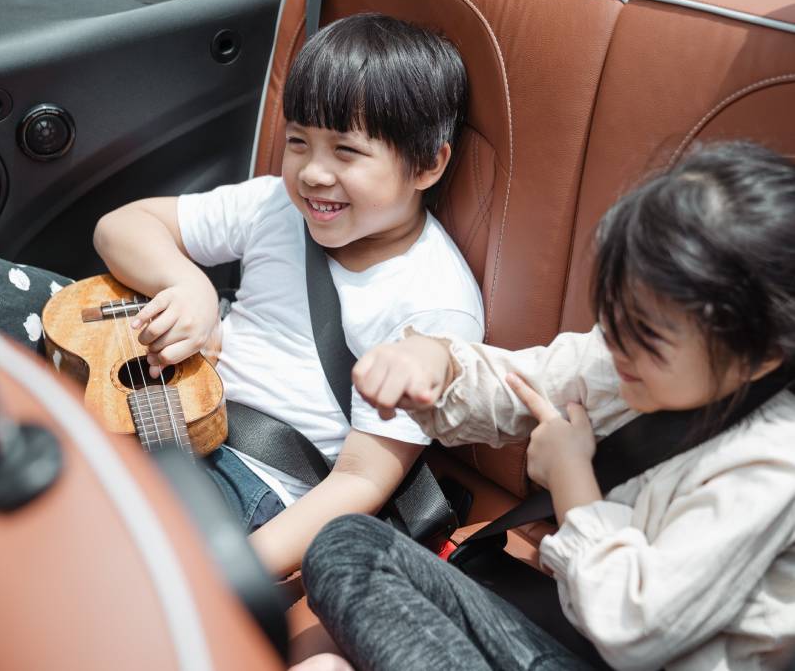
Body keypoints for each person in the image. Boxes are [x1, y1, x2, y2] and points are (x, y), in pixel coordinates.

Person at [0, 12, 482, 578]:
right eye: (297, 142)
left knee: (76, 543)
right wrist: (185, 283)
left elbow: (359, 480)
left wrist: (232, 575)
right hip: (163, 397)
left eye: (346, 152)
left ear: (428, 163)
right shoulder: (275, 207)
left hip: (254, 478)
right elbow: (121, 226)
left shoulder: (434, 306)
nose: (313, 174)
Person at [297, 141, 795, 670]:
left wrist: (569, 475)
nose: (616, 340)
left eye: (647, 333)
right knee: (348, 546)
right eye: (613, 309)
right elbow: (516, 383)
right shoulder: (621, 356)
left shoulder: (769, 466)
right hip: (561, 625)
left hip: (620, 648)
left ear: (759, 354)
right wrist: (433, 363)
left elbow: (634, 629)